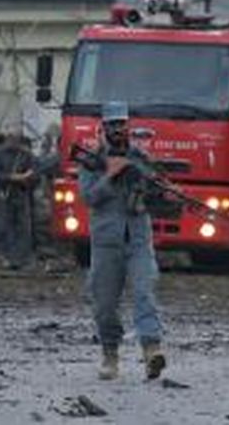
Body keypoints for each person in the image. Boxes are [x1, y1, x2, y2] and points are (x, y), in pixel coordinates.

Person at [78, 101, 166, 381]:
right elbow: (88, 197)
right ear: (103, 128)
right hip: (106, 241)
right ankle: (110, 354)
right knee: (104, 303)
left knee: (144, 291)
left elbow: (156, 195)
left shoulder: (140, 157)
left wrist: (159, 188)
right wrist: (110, 176)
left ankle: (152, 350)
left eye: (122, 124)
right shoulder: (91, 160)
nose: (118, 129)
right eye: (113, 125)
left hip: (138, 238)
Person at [0, 129, 36, 270]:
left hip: (22, 194)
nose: (13, 141)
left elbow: (35, 172)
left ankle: (23, 259)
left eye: (16, 138)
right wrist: (11, 177)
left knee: (24, 227)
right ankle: (9, 258)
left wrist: (27, 179)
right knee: (5, 226)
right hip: (5, 194)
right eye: (11, 138)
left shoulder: (26, 155)